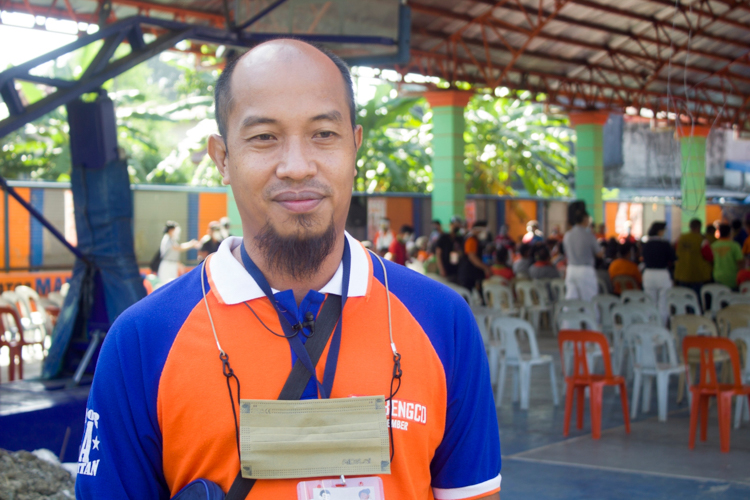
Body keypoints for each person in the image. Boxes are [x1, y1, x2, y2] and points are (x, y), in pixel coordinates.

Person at [76, 40, 500, 500]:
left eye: (323, 134)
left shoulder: (441, 320)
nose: (297, 167)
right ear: (222, 157)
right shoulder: (144, 339)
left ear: (354, 147)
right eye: (264, 137)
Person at [563, 201, 602, 301]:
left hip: (571, 269)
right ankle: (591, 317)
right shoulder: (588, 235)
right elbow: (599, 254)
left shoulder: (568, 235)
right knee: (589, 301)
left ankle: (567, 317)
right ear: (585, 219)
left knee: (571, 300)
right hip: (585, 270)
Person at [642, 222, 675, 325]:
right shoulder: (665, 244)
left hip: (648, 274)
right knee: (663, 303)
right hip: (662, 274)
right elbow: (673, 259)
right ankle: (661, 326)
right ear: (660, 231)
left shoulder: (645, 244)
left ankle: (649, 325)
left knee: (649, 302)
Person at [674, 218, 713, 298]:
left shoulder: (681, 238)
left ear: (690, 226)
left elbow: (676, 252)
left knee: (683, 297)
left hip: (682, 273)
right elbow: (709, 257)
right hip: (697, 274)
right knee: (696, 298)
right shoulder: (702, 240)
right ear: (700, 227)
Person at [458, 220, 492, 300]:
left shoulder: (474, 239)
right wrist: (485, 268)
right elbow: (472, 256)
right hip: (468, 274)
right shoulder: (471, 240)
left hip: (471, 274)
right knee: (467, 297)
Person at [711, 223, 744, 289]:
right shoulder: (734, 246)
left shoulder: (713, 246)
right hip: (732, 278)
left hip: (717, 277)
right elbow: (740, 262)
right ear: (729, 233)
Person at [435, 217, 462, 282]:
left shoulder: (459, 239)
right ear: (451, 225)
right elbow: (438, 254)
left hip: (456, 270)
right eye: (455, 225)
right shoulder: (444, 238)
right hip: (446, 268)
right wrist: (441, 269)